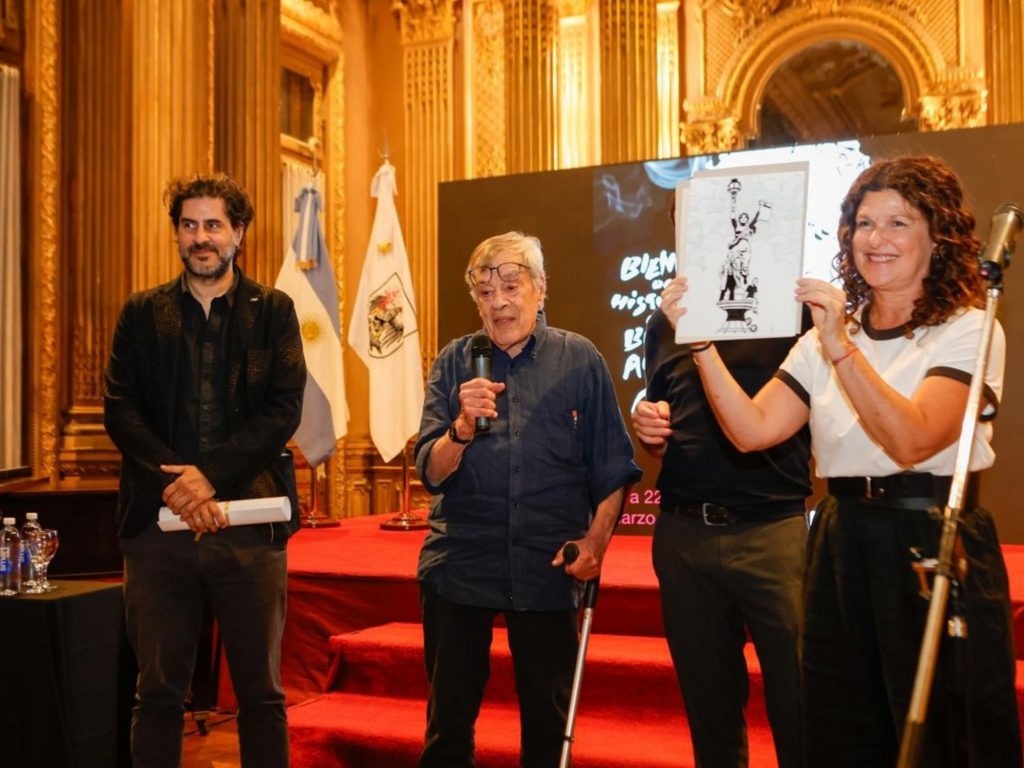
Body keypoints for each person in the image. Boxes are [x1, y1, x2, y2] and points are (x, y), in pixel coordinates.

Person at [668, 155, 1021, 765]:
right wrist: (700, 342)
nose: (875, 240)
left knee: (940, 727)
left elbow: (912, 441)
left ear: (938, 240)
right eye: (863, 223)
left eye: (898, 223)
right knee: (841, 723)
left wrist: (842, 351)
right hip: (840, 536)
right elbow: (753, 430)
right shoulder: (827, 336)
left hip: (929, 537)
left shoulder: (969, 328)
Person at [414, 231, 642, 767]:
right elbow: (430, 470)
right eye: (485, 293)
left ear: (540, 288)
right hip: (461, 562)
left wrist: (595, 546)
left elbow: (613, 467)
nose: (499, 303)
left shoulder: (579, 359)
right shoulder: (454, 362)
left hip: (547, 563)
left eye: (511, 286)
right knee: (447, 726)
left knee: (547, 725)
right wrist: (461, 428)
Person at [104, 173, 306, 768]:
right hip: (156, 528)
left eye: (213, 225)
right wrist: (179, 489)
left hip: (251, 524)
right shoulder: (142, 314)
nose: (201, 238)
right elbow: (121, 409)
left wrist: (207, 478)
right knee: (158, 693)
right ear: (177, 236)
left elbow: (282, 411)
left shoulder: (273, 311)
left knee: (262, 696)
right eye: (189, 225)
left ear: (239, 233)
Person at [633, 197, 810, 768]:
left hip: (773, 532)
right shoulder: (664, 321)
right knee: (709, 713)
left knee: (801, 703)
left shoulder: (794, 310)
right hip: (683, 533)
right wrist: (649, 429)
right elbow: (663, 414)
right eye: (688, 224)